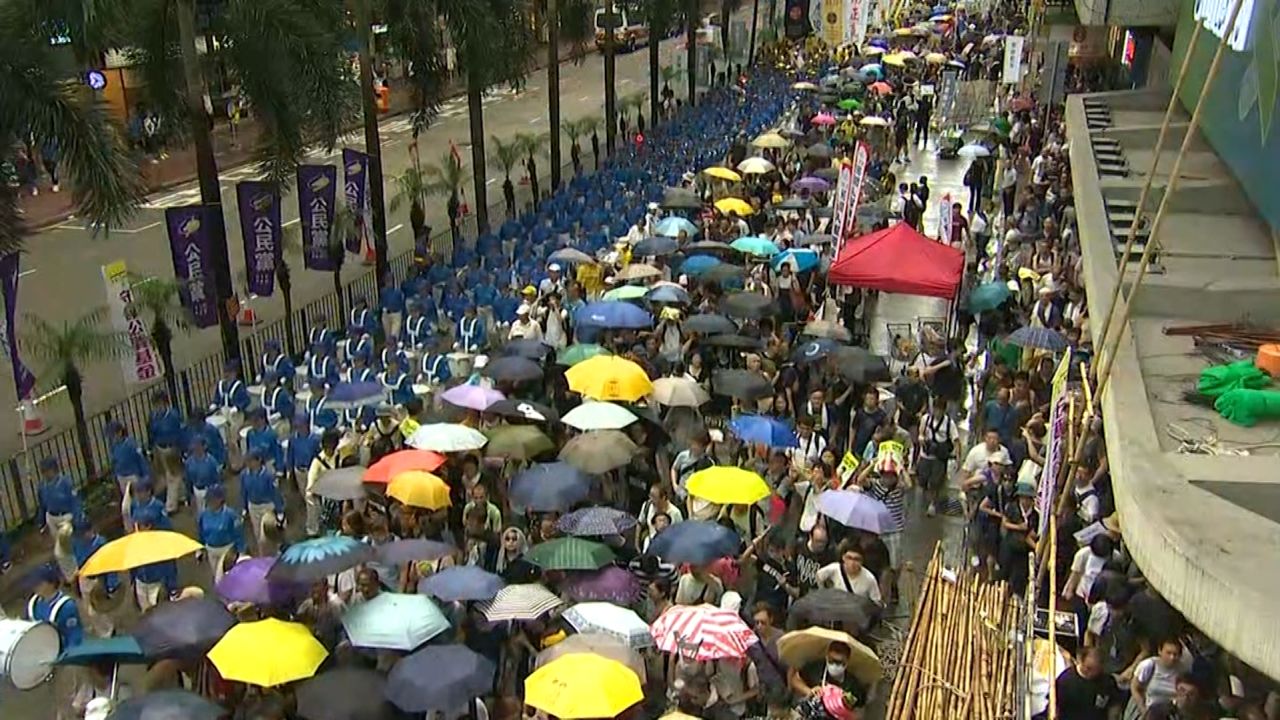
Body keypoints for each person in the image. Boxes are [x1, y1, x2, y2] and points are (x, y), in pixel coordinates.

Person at [26, 563, 83, 649]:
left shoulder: (66, 606)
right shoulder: (34, 603)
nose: (35, 586)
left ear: (51, 583)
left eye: (39, 583)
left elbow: (74, 638)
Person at [1056, 647, 1122, 720]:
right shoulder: (1065, 681)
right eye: (1094, 669)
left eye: (1100, 668)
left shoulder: (1107, 681)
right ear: (1084, 666)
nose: (1099, 672)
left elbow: (1114, 705)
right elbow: (1055, 708)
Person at [196, 486, 246, 582]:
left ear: (220, 499)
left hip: (226, 550)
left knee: (229, 576)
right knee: (217, 577)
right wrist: (200, 549)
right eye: (208, 499)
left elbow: (238, 534)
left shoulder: (231, 515)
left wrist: (241, 552)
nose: (210, 502)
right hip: (211, 550)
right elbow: (201, 532)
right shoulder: (204, 515)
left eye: (212, 499)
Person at [240, 450, 285, 553]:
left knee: (268, 532)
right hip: (253, 506)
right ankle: (263, 554)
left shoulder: (268, 475)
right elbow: (243, 492)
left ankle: (277, 550)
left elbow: (275, 493)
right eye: (247, 461)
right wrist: (244, 507)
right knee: (258, 533)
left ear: (259, 460)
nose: (248, 464)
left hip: (267, 506)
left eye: (251, 461)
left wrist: (279, 510)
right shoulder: (244, 475)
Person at [816, 545, 882, 606]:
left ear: (862, 561)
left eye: (856, 559)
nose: (852, 563)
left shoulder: (869, 578)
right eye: (849, 558)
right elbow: (818, 576)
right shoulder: (834, 569)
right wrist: (824, 593)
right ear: (843, 558)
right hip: (836, 609)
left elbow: (876, 602)